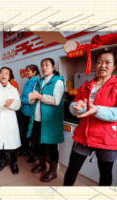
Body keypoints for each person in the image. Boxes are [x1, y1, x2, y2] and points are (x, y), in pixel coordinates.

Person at [64, 49, 117, 186]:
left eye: (107, 62)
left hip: (107, 139)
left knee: (106, 175)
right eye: (99, 62)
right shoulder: (86, 85)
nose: (102, 66)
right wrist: (76, 107)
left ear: (114, 66)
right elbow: (73, 107)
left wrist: (97, 110)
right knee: (71, 170)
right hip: (83, 135)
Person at [27, 58, 65, 182]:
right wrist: (31, 98)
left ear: (53, 67)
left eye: (47, 65)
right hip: (37, 118)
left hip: (50, 121)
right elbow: (34, 99)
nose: (44, 68)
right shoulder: (40, 81)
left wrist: (39, 96)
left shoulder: (57, 81)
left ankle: (53, 171)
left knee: (52, 147)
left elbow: (56, 100)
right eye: (42, 65)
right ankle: (42, 164)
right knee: (39, 144)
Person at [18, 64, 40, 164]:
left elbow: (32, 99)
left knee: (34, 135)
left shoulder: (36, 82)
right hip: (25, 111)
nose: (26, 72)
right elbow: (24, 96)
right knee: (26, 132)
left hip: (32, 113)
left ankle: (35, 154)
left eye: (28, 71)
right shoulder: (27, 82)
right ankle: (26, 150)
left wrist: (21, 98)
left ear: (34, 72)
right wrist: (21, 98)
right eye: (26, 71)